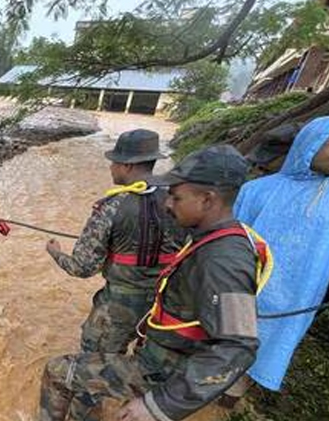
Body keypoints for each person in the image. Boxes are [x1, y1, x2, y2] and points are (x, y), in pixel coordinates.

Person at [40, 145, 270, 421]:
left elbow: (238, 346)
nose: (168, 204)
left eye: (176, 197)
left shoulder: (223, 260)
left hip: (163, 366)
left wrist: (160, 405)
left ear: (208, 200)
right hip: (157, 340)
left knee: (59, 372)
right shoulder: (212, 236)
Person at [234, 115, 329, 392]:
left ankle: (231, 400)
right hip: (242, 292)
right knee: (223, 347)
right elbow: (230, 243)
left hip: (294, 301)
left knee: (260, 357)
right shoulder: (257, 190)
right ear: (310, 145)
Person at [45, 129, 186, 353]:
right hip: (167, 303)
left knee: (97, 362)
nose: (111, 167)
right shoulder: (179, 201)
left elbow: (82, 268)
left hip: (121, 305)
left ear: (127, 166)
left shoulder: (111, 206)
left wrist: (55, 252)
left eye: (114, 162)